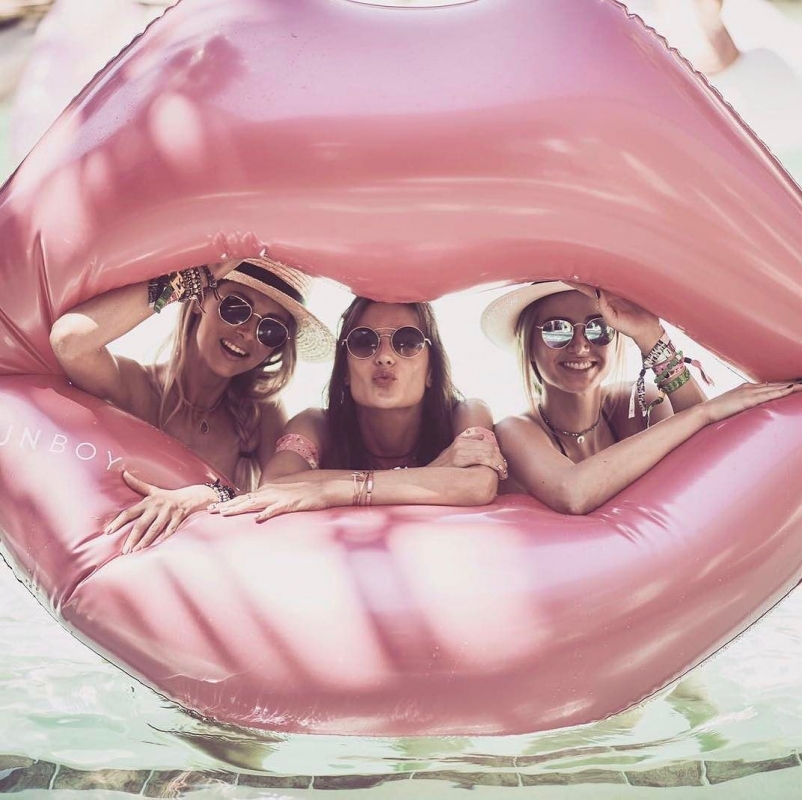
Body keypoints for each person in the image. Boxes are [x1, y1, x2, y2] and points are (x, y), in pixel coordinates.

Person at [49, 255, 335, 550]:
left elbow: (280, 503)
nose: (248, 333)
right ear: (199, 299)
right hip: (116, 559)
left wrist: (206, 495)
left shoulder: (259, 416)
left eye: (271, 329)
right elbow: (69, 342)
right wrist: (186, 279)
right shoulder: (138, 387)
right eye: (236, 308)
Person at [481, 280, 802, 515]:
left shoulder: (637, 404)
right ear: (528, 346)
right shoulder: (514, 430)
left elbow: (709, 457)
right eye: (557, 330)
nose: (580, 346)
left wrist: (650, 335)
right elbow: (573, 493)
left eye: (598, 328)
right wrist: (702, 413)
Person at [210, 296, 505, 521]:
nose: (385, 357)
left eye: (407, 342)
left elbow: (478, 485)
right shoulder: (316, 424)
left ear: (431, 371)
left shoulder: (467, 413)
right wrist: (437, 471)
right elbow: (275, 484)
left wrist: (333, 489)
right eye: (364, 342)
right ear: (345, 372)